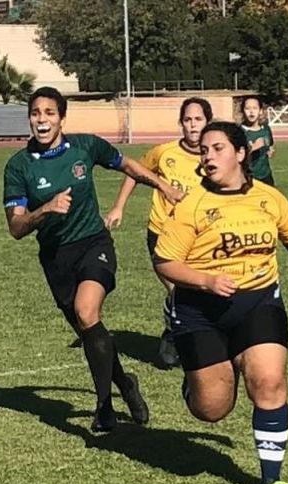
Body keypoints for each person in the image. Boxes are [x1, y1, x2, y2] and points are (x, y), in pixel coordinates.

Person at [154, 121, 288, 484]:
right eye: (203, 150)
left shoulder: (269, 198)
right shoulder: (192, 205)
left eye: (217, 148)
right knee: (212, 408)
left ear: (240, 153)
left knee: (269, 382)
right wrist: (206, 281)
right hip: (201, 311)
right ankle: (197, 380)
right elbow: (165, 262)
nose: (208, 156)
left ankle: (272, 480)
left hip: (259, 302)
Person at [3, 86, 184, 432]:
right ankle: (126, 384)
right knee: (90, 332)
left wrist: (163, 187)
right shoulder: (18, 167)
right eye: (36, 113)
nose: (42, 120)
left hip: (93, 244)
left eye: (49, 113)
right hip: (56, 260)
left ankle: (103, 409)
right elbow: (16, 227)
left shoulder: (86, 147)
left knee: (88, 312)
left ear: (61, 118)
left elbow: (127, 164)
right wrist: (44, 210)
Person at [105, 97, 213, 368]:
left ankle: (187, 336)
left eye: (198, 119)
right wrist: (119, 207)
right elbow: (134, 172)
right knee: (179, 290)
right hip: (162, 234)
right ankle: (176, 335)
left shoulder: (214, 156)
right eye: (187, 119)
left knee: (198, 291)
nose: (192, 125)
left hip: (198, 237)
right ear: (181, 123)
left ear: (208, 122)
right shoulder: (164, 153)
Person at [240, 95, 276, 186]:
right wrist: (252, 148)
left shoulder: (266, 129)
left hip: (266, 176)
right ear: (242, 111)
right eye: (247, 108)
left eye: (255, 108)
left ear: (260, 111)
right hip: (248, 177)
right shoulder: (239, 132)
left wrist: (270, 150)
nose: (251, 112)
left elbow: (270, 144)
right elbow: (233, 157)